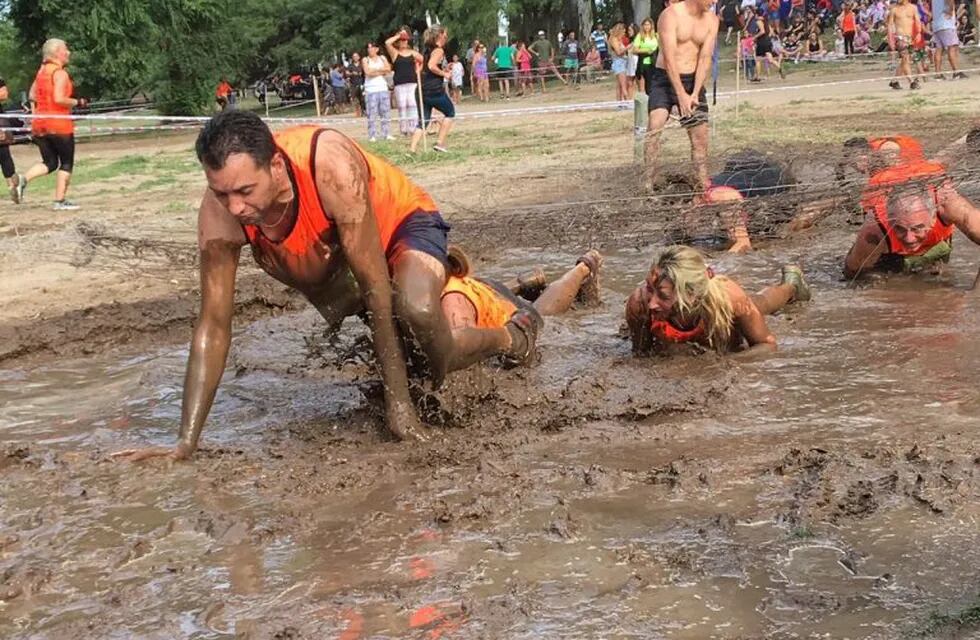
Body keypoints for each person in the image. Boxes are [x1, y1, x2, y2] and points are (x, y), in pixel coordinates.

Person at [111, 111, 545, 462]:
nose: (235, 207)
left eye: (245, 191)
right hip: (332, 256)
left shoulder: (328, 164)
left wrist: (400, 411)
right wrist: (185, 443)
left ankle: (511, 336)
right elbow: (213, 325)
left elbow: (376, 285)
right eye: (221, 194)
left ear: (276, 166)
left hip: (400, 227)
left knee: (420, 318)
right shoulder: (221, 213)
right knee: (403, 341)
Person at [625, 245, 811, 355]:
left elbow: (767, 344)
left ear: (693, 294)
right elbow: (642, 357)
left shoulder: (730, 298)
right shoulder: (639, 305)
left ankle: (792, 285)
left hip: (724, 303)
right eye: (650, 289)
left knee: (762, 303)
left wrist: (723, 365)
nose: (652, 303)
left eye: (663, 296)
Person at [442, 247, 603, 365]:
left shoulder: (453, 302)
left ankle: (583, 268)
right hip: (483, 288)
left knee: (544, 317)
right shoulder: (439, 287)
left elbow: (463, 351)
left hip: (510, 313)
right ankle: (523, 284)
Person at [844, 168, 980, 277]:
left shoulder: (951, 207)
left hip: (936, 243)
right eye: (900, 228)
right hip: (889, 254)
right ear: (890, 222)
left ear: (933, 218)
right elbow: (852, 273)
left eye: (917, 228)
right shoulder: (874, 233)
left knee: (939, 275)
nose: (909, 239)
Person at [645, 0, 719, 192]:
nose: (715, 2)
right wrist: (680, 95)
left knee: (700, 138)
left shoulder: (712, 20)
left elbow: (705, 58)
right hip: (664, 79)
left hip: (693, 80)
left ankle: (703, 185)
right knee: (655, 126)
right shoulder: (670, 15)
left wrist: (694, 92)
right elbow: (669, 58)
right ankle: (647, 183)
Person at [17, 38, 86, 210]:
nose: (68, 52)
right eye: (65, 49)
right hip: (59, 124)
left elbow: (32, 95)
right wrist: (78, 102)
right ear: (56, 53)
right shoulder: (60, 73)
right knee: (66, 163)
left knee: (50, 162)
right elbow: (59, 99)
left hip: (40, 124)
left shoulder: (41, 73)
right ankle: (59, 201)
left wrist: (35, 113)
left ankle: (23, 180)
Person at [410, 25, 455, 153]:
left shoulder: (427, 50)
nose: (446, 36)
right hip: (433, 89)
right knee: (450, 112)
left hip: (422, 88)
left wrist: (444, 69)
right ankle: (439, 143)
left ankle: (412, 150)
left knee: (423, 120)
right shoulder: (438, 50)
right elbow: (431, 66)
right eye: (445, 34)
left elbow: (427, 68)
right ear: (440, 35)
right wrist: (445, 74)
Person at [385, 29, 423, 137]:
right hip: (399, 83)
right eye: (402, 41)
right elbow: (387, 43)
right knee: (402, 106)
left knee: (412, 105)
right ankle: (403, 129)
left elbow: (422, 60)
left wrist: (418, 71)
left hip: (412, 82)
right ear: (398, 42)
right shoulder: (395, 53)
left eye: (405, 40)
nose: (404, 42)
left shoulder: (413, 53)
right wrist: (398, 36)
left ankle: (413, 128)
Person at [887, 0, 923, 89]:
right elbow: (890, 25)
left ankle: (894, 81)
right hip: (900, 37)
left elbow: (917, 21)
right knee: (905, 58)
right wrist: (891, 40)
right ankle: (911, 82)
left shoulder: (913, 8)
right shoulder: (894, 10)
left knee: (905, 61)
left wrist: (918, 34)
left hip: (911, 37)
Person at [362, 42, 393, 142]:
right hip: (371, 89)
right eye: (368, 48)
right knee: (372, 113)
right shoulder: (365, 59)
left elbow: (388, 69)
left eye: (372, 47)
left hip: (382, 88)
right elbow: (368, 72)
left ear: (376, 49)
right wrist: (381, 71)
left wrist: (375, 70)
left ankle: (386, 133)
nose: (370, 49)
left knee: (385, 112)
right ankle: (372, 135)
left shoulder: (382, 58)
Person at [932, 0, 966, 78]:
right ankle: (956, 72)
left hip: (937, 25)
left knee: (938, 49)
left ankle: (938, 74)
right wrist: (950, 11)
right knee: (952, 48)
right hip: (947, 24)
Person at [754, 14, 786, 78]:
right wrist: (767, 38)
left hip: (761, 43)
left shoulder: (759, 21)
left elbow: (762, 31)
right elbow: (771, 32)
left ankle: (757, 77)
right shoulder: (766, 23)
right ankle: (780, 67)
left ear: (757, 15)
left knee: (758, 60)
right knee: (770, 59)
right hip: (768, 42)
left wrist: (755, 37)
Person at [633, 18, 660, 94]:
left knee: (656, 83)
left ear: (651, 26)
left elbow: (661, 48)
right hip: (644, 63)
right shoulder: (640, 36)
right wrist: (646, 50)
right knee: (648, 84)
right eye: (645, 25)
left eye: (648, 25)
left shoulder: (656, 36)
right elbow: (634, 50)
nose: (646, 27)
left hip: (655, 62)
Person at [608, 24, 632, 100]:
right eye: (623, 32)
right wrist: (627, 48)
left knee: (619, 85)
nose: (624, 34)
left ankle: (619, 103)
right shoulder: (613, 40)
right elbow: (618, 52)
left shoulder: (618, 40)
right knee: (623, 84)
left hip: (622, 61)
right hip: (619, 62)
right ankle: (626, 101)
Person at [346, 52, 365, 118]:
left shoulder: (362, 64)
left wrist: (361, 73)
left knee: (363, 98)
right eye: (354, 56)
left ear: (359, 57)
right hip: (353, 84)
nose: (355, 58)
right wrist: (352, 73)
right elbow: (347, 73)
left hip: (362, 83)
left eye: (356, 56)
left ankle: (364, 110)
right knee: (355, 98)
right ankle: (357, 112)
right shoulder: (350, 66)